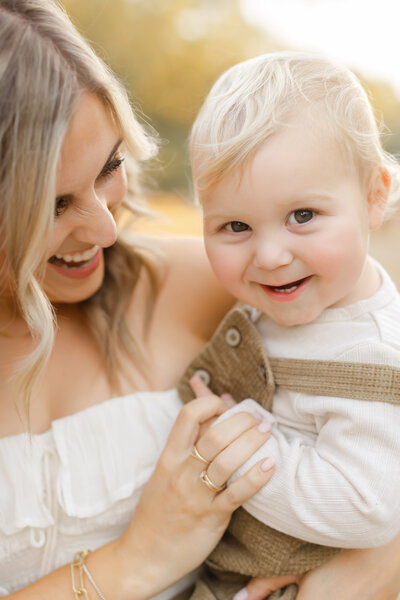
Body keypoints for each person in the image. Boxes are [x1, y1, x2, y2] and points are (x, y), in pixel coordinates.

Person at [0, 2, 399, 598]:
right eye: (53, 204)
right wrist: (138, 559)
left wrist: (353, 579)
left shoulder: (218, 287)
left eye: (110, 166)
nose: (108, 230)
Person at [185, 51, 400, 599]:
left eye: (302, 216)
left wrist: (242, 449)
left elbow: (367, 506)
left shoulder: (373, 354)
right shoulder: (269, 308)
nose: (272, 255)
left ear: (375, 197)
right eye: (236, 225)